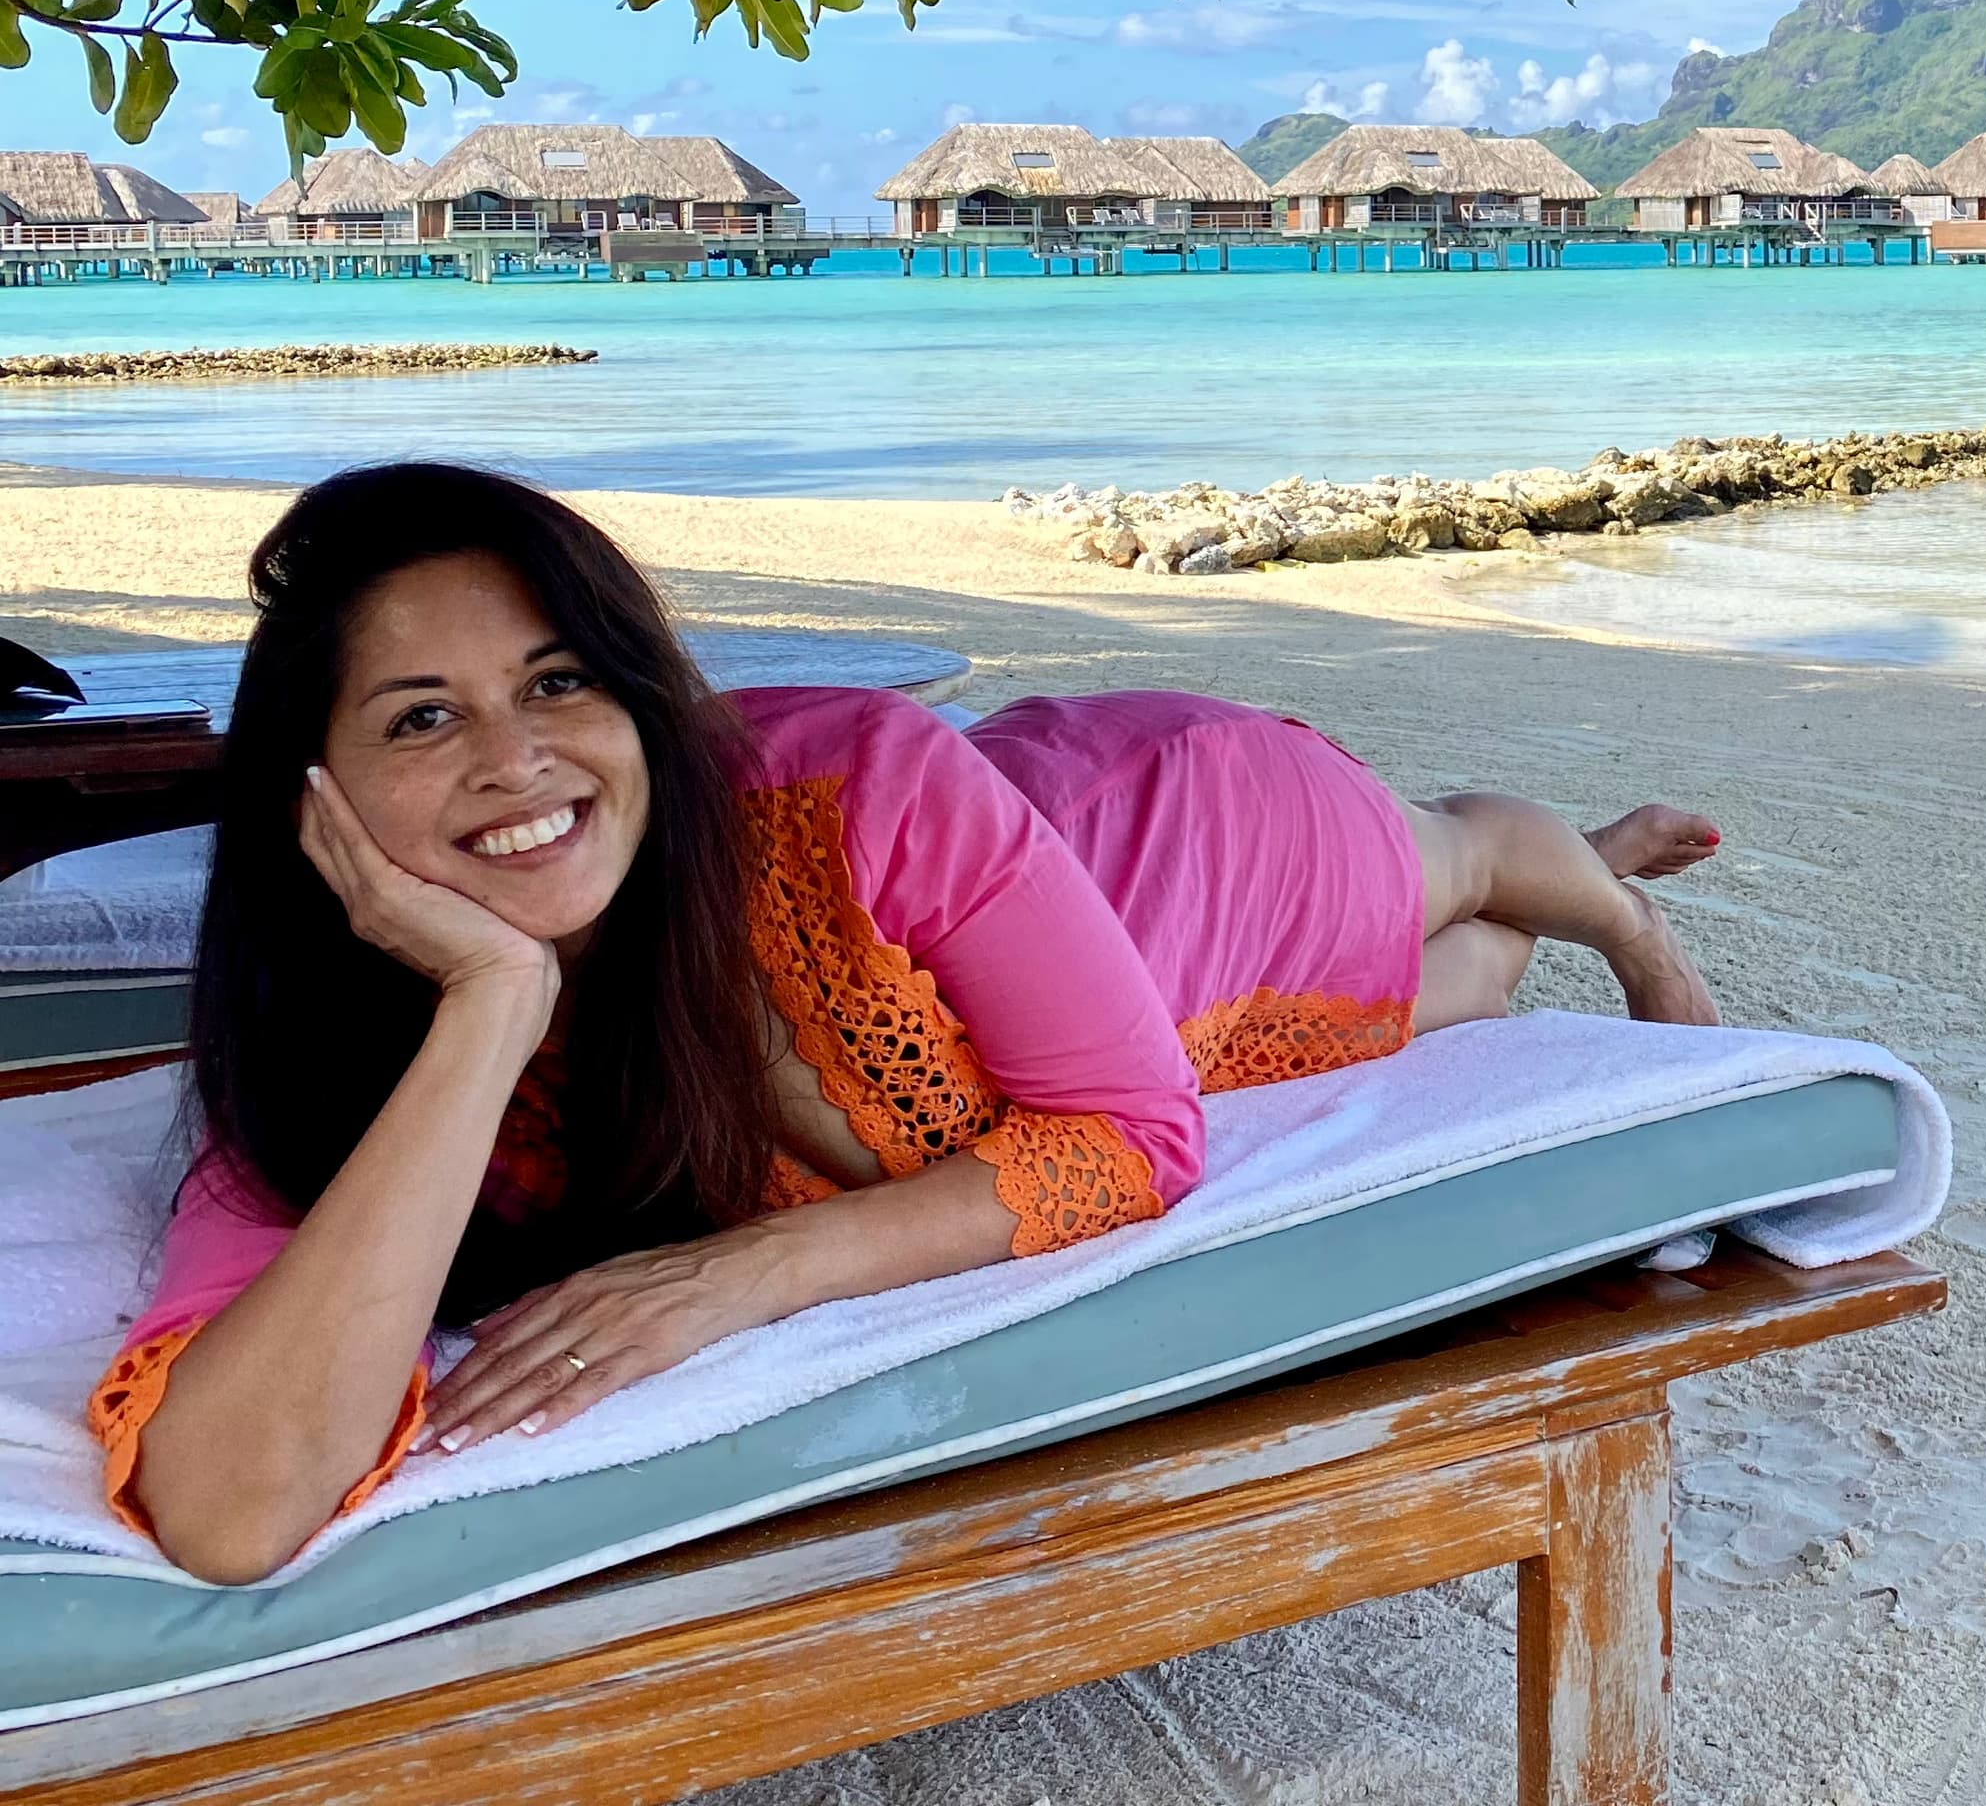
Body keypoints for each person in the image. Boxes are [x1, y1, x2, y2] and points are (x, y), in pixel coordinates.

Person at [95, 462, 1722, 1584]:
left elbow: (1132, 1137)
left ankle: (1622, 904)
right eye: (423, 717)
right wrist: (491, 1008)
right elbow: (235, 1509)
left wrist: (754, 1271)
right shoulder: (314, 1039)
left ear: (640, 699)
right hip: (1133, 1016)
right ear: (308, 793)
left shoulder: (843, 782)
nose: (516, 761)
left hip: (1163, 845)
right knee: (1438, 995)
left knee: (1446, 857)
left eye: (559, 684)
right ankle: (1529, 927)